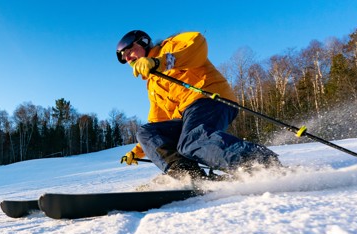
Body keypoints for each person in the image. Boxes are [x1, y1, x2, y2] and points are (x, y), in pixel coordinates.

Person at [116, 30, 279, 181]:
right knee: (146, 132)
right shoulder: (153, 84)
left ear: (143, 42)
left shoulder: (170, 46)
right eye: (124, 58)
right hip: (188, 115)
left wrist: (161, 62)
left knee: (192, 140)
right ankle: (190, 176)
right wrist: (137, 151)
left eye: (130, 51)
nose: (128, 58)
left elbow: (198, 46)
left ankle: (263, 164)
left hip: (210, 98)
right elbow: (158, 122)